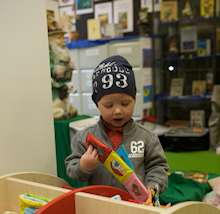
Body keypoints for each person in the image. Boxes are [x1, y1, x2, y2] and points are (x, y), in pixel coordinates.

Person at [65, 55, 169, 195]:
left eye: (125, 104)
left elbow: (158, 167)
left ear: (134, 100)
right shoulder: (84, 137)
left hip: (136, 206)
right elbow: (74, 172)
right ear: (97, 105)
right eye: (109, 105)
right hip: (99, 205)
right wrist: (84, 166)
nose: (118, 111)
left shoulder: (146, 137)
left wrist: (152, 188)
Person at [47, 18, 75, 100]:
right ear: (50, 41)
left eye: (63, 37)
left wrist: (70, 68)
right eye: (59, 38)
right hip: (54, 88)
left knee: (64, 103)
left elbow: (68, 75)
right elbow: (41, 69)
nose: (64, 41)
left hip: (64, 86)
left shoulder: (63, 53)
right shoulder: (48, 54)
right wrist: (53, 69)